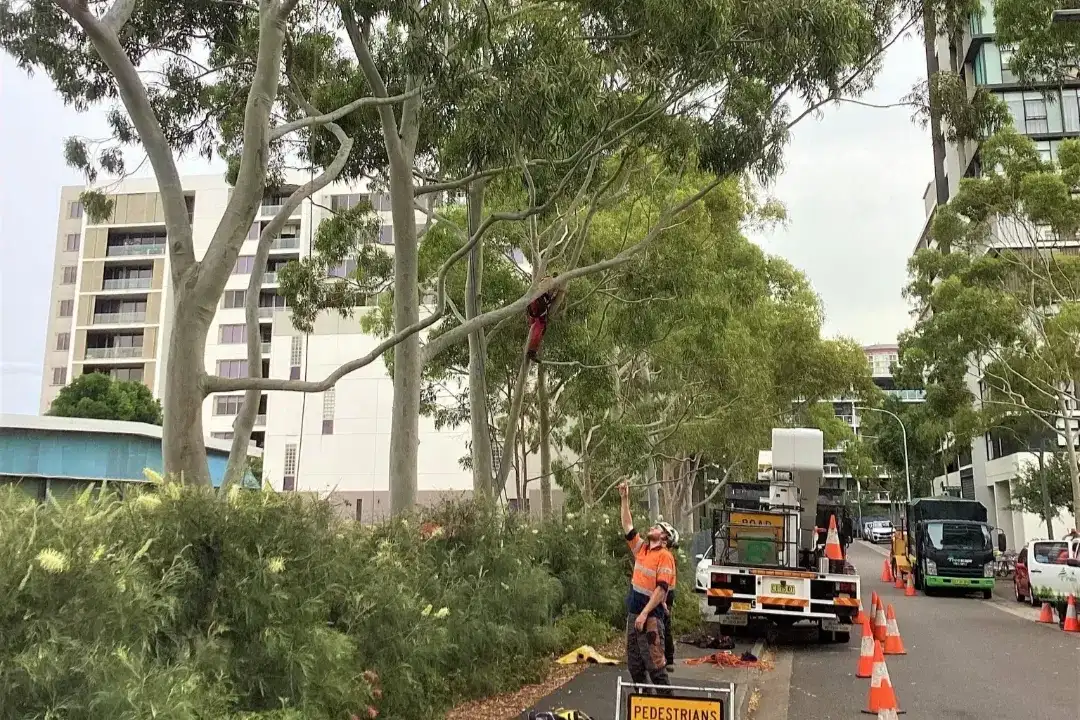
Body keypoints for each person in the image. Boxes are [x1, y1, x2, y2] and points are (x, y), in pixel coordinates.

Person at [618, 481, 675, 690]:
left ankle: (667, 705)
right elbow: (627, 525)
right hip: (634, 615)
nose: (652, 527)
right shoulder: (642, 549)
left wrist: (644, 614)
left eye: (657, 528)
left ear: (665, 538)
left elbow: (661, 590)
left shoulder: (664, 556)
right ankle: (645, 703)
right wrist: (625, 499)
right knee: (635, 666)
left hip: (650, 617)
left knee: (655, 666)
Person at [526, 276, 560, 362]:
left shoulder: (545, 296)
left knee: (538, 332)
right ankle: (531, 351)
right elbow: (535, 308)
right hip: (538, 316)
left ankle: (532, 351)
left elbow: (551, 297)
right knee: (538, 332)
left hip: (536, 315)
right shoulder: (541, 295)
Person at [661, 525, 681, 673]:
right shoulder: (663, 554)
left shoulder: (666, 557)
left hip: (666, 594)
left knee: (664, 625)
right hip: (664, 593)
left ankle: (668, 659)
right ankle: (666, 658)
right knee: (662, 626)